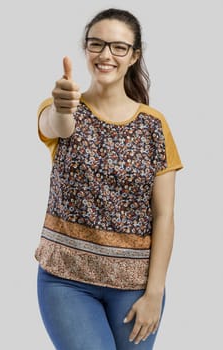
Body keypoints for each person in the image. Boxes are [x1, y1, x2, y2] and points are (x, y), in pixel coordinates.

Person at [35, 8, 183, 350]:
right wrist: (62, 106)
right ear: (86, 50)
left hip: (134, 286)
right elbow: (56, 126)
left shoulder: (154, 126)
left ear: (134, 56)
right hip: (66, 282)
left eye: (118, 47)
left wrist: (155, 293)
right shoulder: (61, 108)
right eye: (96, 44)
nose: (105, 54)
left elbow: (164, 215)